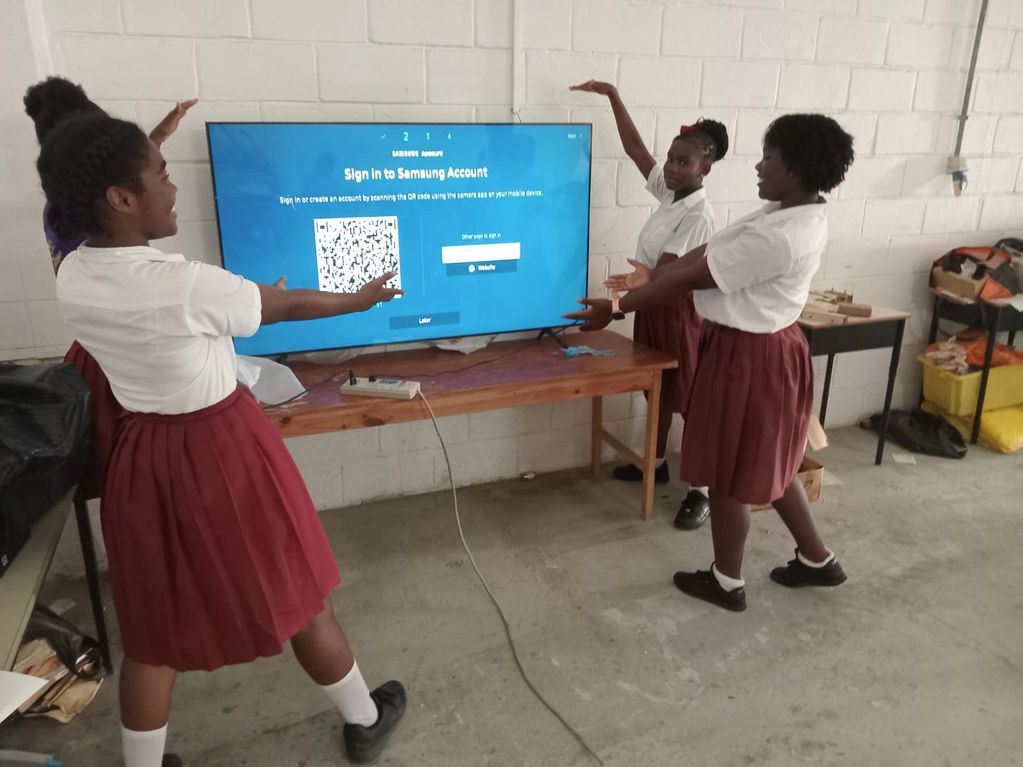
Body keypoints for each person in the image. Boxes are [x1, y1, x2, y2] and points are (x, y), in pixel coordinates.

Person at [37, 113, 407, 766]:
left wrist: (149, 140)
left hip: (142, 456)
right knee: (297, 596)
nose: (173, 186)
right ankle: (365, 719)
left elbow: (208, 314)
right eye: (160, 174)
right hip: (222, 452)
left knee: (151, 633)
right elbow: (283, 307)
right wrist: (361, 298)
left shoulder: (73, 274)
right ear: (120, 198)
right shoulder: (185, 283)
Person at [568, 113, 855, 613]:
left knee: (727, 474)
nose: (758, 167)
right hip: (767, 347)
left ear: (796, 169)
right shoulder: (790, 212)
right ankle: (817, 559)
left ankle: (726, 581)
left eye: (768, 158)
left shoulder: (779, 235)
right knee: (774, 462)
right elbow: (704, 253)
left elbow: (688, 278)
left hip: (749, 355)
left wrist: (613, 308)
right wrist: (654, 277)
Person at [24, 76, 197, 502]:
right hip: (122, 356)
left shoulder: (65, 206)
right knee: (144, 470)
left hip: (100, 346)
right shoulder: (88, 223)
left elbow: (113, 176)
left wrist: (157, 138)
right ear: (115, 197)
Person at [569, 79, 728, 529]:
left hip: (680, 313)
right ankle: (655, 465)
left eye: (684, 162)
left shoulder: (698, 214)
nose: (672, 168)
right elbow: (637, 150)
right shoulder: (671, 193)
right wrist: (613, 96)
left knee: (689, 401)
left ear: (705, 168)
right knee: (658, 391)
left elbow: (671, 278)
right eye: (672, 159)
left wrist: (617, 305)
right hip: (654, 308)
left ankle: (701, 491)